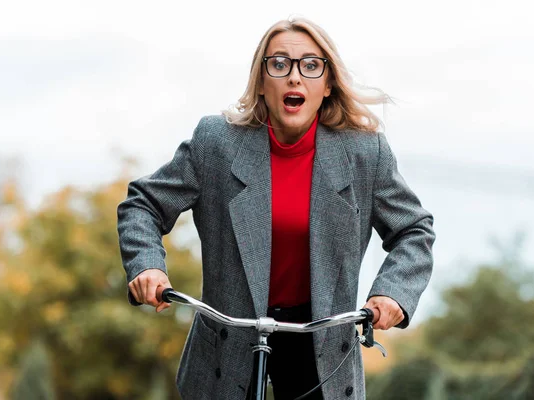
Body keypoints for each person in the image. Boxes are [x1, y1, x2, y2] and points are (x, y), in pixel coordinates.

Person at [117, 17, 435, 400]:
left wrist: (392, 293)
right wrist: (148, 264)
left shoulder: (366, 154)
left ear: (328, 83)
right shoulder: (216, 143)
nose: (294, 77)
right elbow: (144, 204)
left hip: (320, 345)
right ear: (262, 80)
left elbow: (413, 231)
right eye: (279, 64)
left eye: (311, 65)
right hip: (227, 340)